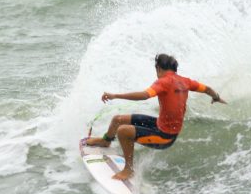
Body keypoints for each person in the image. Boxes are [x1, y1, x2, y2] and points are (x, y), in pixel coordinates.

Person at [86, 54, 226, 180]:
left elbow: (145, 95)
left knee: (123, 131)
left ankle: (128, 170)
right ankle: (106, 141)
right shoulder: (186, 81)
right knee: (118, 119)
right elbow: (207, 89)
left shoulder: (163, 81)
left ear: (158, 68)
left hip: (164, 137)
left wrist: (115, 95)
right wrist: (216, 97)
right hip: (161, 125)